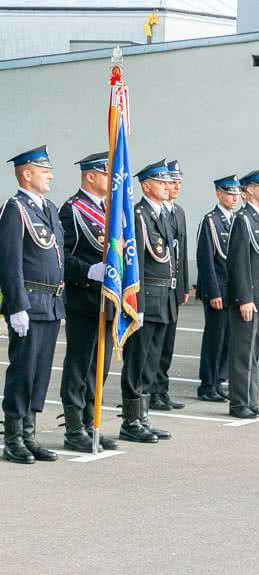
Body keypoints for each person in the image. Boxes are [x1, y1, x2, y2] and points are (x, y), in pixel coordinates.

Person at [0, 145, 65, 463]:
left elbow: (57, 255)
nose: (50, 175)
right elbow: (9, 261)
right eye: (44, 170)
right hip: (29, 303)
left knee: (40, 373)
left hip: (51, 303)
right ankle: (13, 438)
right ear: (27, 174)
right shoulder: (14, 209)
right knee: (23, 371)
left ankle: (29, 434)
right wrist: (16, 305)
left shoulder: (49, 208)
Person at [58, 151, 118, 452]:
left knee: (100, 366)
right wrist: (88, 271)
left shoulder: (111, 210)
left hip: (107, 300)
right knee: (79, 364)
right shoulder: (72, 210)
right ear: (90, 176)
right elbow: (61, 257)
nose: (111, 178)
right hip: (83, 299)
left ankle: (91, 422)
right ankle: (73, 428)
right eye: (105, 173)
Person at [120, 159, 175, 442]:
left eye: (167, 181)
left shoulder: (162, 214)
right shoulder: (139, 215)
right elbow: (136, 265)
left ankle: (142, 416)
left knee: (151, 362)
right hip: (147, 299)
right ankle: (130, 421)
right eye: (161, 182)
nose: (167, 186)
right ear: (146, 186)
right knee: (137, 362)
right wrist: (137, 304)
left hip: (163, 299)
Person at [226, 167, 259, 419]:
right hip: (249, 299)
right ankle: (239, 404)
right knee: (243, 353)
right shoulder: (243, 219)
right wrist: (244, 298)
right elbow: (238, 262)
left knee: (255, 353)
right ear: (249, 190)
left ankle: (252, 400)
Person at [196, 174, 241, 402]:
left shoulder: (237, 220)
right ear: (219, 194)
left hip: (233, 291)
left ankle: (219, 381)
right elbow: (206, 260)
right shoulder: (211, 221)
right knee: (215, 338)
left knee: (229, 339)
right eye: (230, 193)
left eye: (236, 194)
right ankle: (208, 384)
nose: (234, 198)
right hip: (218, 289)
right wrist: (213, 292)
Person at [150, 159, 188, 411]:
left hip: (172, 287)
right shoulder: (152, 213)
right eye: (171, 182)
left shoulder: (178, 212)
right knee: (153, 345)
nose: (175, 186)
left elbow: (181, 253)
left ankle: (161, 389)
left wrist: (183, 286)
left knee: (167, 344)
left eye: (177, 182)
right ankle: (152, 392)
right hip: (156, 287)